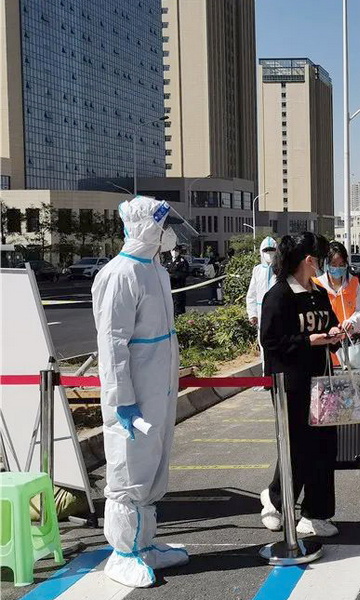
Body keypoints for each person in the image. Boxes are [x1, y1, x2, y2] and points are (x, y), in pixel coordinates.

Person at [92, 196, 190, 587]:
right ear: (146, 227)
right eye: (163, 226)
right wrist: (123, 400)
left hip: (158, 390)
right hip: (133, 397)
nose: (168, 234)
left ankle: (144, 543)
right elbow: (111, 345)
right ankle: (122, 553)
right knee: (129, 469)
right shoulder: (120, 274)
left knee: (153, 467)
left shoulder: (155, 271)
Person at [258, 233, 346, 539]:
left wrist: (335, 334)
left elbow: (328, 323)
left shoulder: (318, 293)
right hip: (290, 384)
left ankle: (316, 513)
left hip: (322, 381)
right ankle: (276, 501)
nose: (323, 264)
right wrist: (308, 341)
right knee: (295, 447)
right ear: (309, 260)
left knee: (323, 447)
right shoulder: (279, 295)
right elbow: (271, 341)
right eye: (320, 258)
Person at [246, 237, 278, 373]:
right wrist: (252, 314)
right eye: (266, 250)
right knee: (264, 344)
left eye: (272, 250)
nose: (269, 253)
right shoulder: (257, 270)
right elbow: (251, 294)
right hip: (262, 313)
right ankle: (267, 376)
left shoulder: (281, 270)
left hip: (278, 312)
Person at [164, 244, 189, 316]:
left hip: (179, 287)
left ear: (179, 251)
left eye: (176, 250)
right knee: (169, 306)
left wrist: (173, 275)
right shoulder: (167, 261)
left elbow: (185, 273)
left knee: (178, 306)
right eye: (173, 250)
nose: (174, 252)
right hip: (169, 288)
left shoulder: (183, 261)